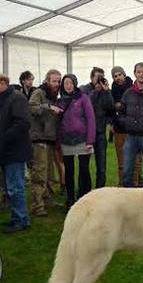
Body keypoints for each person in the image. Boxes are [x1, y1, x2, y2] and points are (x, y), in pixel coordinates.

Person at [0, 73, 32, 234]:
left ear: (3, 83)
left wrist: (2, 137)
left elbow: (23, 123)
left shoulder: (16, 98)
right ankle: (16, 217)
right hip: (5, 150)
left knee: (15, 187)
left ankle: (21, 220)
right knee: (10, 187)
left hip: (15, 150)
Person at [57, 74, 95, 208]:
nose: (68, 86)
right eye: (65, 83)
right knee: (69, 170)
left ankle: (84, 195)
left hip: (83, 139)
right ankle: (70, 197)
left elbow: (90, 118)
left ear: (75, 84)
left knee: (84, 169)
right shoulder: (60, 100)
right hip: (66, 140)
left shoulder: (83, 98)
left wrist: (90, 140)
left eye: (70, 83)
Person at [28, 69, 62, 217]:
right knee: (39, 172)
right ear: (47, 80)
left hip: (49, 138)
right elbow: (31, 107)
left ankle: (47, 199)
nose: (57, 84)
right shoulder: (39, 93)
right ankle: (37, 205)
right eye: (54, 81)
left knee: (48, 173)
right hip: (38, 138)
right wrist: (48, 107)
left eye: (58, 81)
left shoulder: (54, 95)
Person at [80, 67, 113, 189]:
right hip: (86, 133)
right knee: (84, 166)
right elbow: (84, 105)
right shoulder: (84, 89)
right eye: (98, 77)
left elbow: (111, 108)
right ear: (91, 77)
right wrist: (95, 91)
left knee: (102, 166)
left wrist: (107, 91)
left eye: (102, 77)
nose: (100, 80)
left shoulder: (105, 90)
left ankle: (100, 190)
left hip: (100, 132)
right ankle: (85, 190)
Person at [110, 66, 143, 186]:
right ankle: (122, 184)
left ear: (124, 75)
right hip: (119, 129)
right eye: (115, 76)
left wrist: (121, 105)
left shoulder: (133, 87)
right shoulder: (112, 91)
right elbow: (111, 109)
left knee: (134, 159)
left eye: (120, 75)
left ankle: (134, 183)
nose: (118, 78)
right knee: (121, 160)